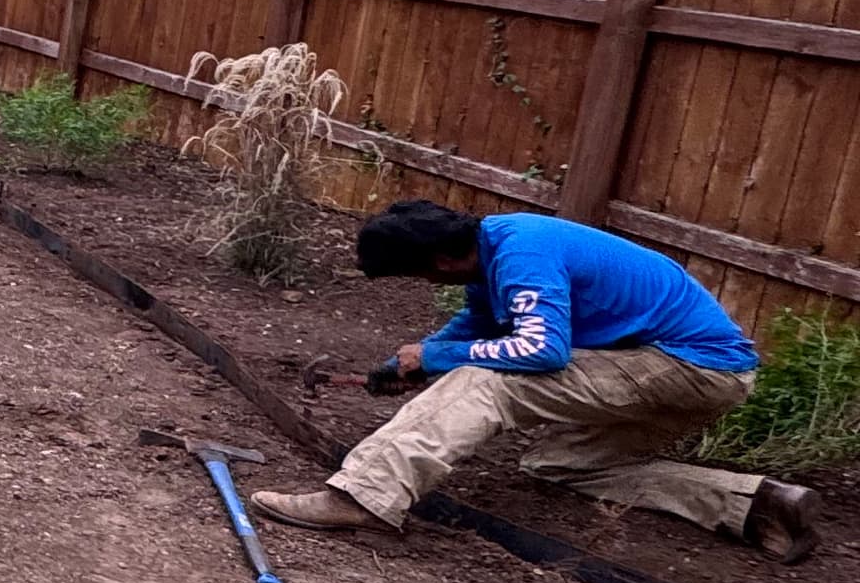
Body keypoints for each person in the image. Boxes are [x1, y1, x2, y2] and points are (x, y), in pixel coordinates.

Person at [254, 200, 818, 561]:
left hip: (690, 367)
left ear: (444, 260)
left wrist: (441, 355)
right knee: (560, 466)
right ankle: (756, 505)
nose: (426, 282)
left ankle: (364, 496)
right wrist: (420, 358)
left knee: (489, 379)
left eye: (420, 273)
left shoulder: (525, 254)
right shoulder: (490, 247)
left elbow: (539, 349)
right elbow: (480, 321)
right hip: (692, 371)